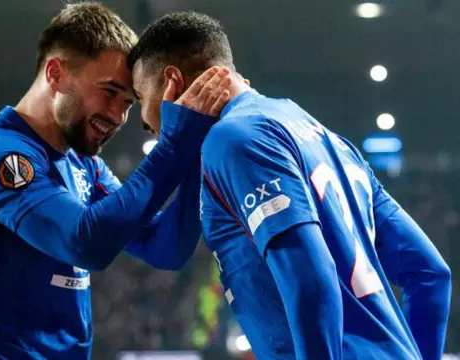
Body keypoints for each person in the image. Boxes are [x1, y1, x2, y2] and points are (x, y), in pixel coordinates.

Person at [128, 11, 452, 360]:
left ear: (170, 82)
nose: (148, 126)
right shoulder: (330, 141)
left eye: (140, 100)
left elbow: (312, 280)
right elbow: (430, 274)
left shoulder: (235, 138)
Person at [0, 3, 232, 359]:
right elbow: (85, 242)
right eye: (109, 92)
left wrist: (198, 151)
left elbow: (164, 248)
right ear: (56, 73)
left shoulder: (84, 165)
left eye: (128, 103)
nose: (118, 117)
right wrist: (174, 146)